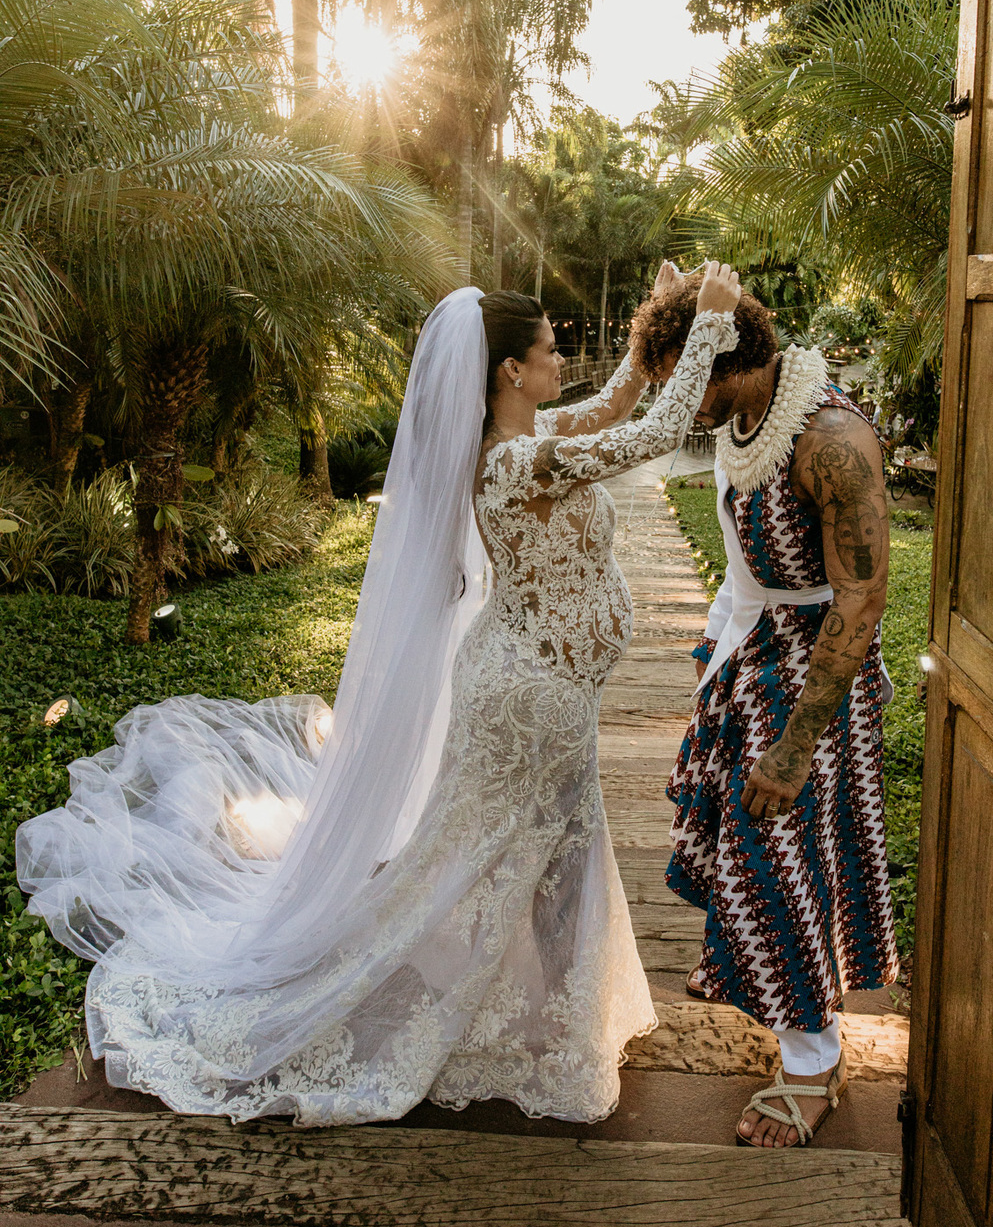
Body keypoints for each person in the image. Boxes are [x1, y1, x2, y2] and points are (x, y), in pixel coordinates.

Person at [16, 263, 741, 1125]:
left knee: (552, 852)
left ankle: (560, 1017)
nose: (560, 361)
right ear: (512, 370)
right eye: (551, 349)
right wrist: (707, 324)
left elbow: (621, 406)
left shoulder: (538, 432)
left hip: (554, 690)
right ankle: (478, 1013)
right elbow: (656, 434)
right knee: (479, 859)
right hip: (526, 698)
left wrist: (655, 324)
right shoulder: (517, 462)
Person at [629, 275, 897, 1149]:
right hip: (752, 658)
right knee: (747, 853)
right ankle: (774, 1000)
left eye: (684, 381)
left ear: (728, 360)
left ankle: (815, 1064)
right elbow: (746, 570)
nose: (679, 403)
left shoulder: (830, 440)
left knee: (779, 858)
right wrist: (713, 656)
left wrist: (793, 746)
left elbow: (861, 600)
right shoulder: (743, 421)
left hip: (817, 678)